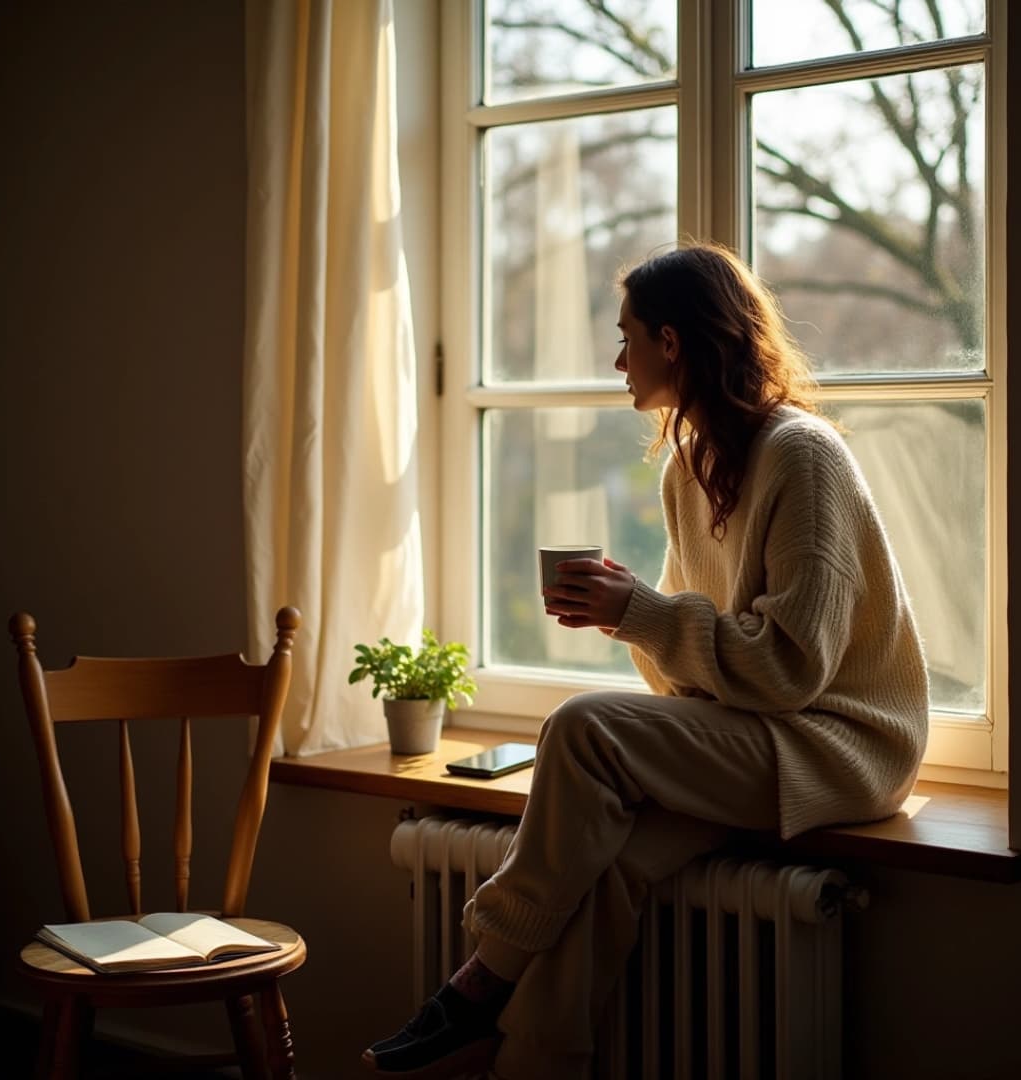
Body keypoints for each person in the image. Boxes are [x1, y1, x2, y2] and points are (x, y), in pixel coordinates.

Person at [361, 240, 929, 1080]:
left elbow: (791, 669)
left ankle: (477, 985)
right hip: (760, 735)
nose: (618, 360)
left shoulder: (802, 456)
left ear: (673, 343)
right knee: (606, 865)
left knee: (583, 724)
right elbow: (689, 680)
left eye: (628, 338)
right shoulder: (686, 469)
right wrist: (632, 621)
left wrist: (648, 615)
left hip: (842, 746)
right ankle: (533, 1064)